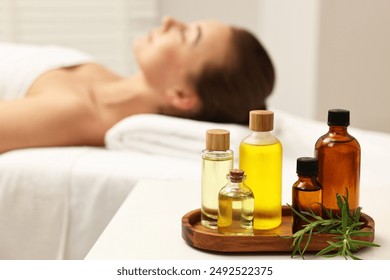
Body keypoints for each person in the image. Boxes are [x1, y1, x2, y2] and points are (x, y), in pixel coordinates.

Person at [0, 16, 275, 153]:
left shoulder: (75, 113)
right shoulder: (104, 79)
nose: (170, 22)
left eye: (188, 35)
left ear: (181, 95)